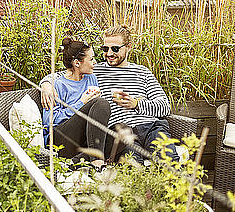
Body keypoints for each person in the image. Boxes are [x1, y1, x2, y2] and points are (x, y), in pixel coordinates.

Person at [40, 25, 178, 164]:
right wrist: (46, 84)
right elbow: (67, 73)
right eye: (105, 49)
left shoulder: (142, 72)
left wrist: (135, 104)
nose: (109, 53)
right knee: (134, 169)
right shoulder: (94, 70)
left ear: (128, 47)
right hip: (120, 133)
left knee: (170, 163)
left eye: (115, 49)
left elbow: (164, 106)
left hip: (150, 127)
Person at [43, 37, 110, 167]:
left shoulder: (91, 78)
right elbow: (49, 121)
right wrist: (81, 103)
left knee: (123, 132)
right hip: (59, 141)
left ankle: (73, 163)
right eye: (91, 59)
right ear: (77, 63)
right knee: (101, 103)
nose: (95, 62)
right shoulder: (57, 85)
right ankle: (97, 163)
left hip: (84, 140)